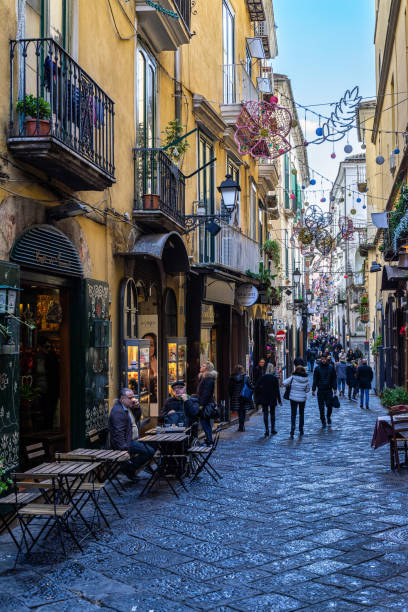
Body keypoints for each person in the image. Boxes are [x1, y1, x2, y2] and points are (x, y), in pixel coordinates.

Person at [108, 388, 154, 481]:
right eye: (130, 397)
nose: (133, 399)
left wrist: (137, 409)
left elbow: (135, 419)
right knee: (149, 451)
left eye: (133, 397)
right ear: (122, 399)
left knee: (154, 444)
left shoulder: (127, 408)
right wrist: (124, 450)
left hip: (131, 439)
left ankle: (130, 468)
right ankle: (129, 468)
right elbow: (118, 433)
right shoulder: (118, 412)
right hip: (126, 442)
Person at [254, 363, 282, 437]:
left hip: (264, 397)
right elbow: (277, 390)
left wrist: (258, 396)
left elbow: (256, 387)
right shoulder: (274, 378)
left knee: (265, 413)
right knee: (272, 413)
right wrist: (279, 400)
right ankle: (273, 429)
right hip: (272, 398)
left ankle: (266, 430)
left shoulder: (262, 378)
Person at [283, 364, 310, 438]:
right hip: (302, 399)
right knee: (301, 414)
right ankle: (301, 429)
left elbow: (284, 383)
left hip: (293, 398)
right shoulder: (306, 379)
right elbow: (307, 390)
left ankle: (293, 427)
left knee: (293, 414)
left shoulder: (293, 377)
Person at [312, 354, 337, 427]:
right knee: (321, 407)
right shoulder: (317, 369)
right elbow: (315, 380)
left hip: (329, 389)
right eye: (322, 359)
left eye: (324, 359)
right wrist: (313, 389)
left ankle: (328, 416)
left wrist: (335, 388)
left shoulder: (331, 368)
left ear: (326, 359)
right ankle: (323, 420)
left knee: (329, 405)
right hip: (320, 390)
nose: (323, 360)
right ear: (320, 359)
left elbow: (334, 378)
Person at [197, 361, 218, 445]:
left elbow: (206, 393)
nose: (201, 367)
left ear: (207, 368)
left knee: (204, 422)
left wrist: (202, 405)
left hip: (206, 404)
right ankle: (209, 439)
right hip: (205, 402)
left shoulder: (208, 379)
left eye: (203, 366)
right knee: (205, 422)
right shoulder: (204, 377)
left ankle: (209, 440)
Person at [228, 365, 252, 433]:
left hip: (236, 397)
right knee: (243, 411)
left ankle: (241, 426)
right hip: (244, 396)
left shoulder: (232, 378)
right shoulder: (246, 377)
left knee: (239, 411)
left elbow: (230, 388)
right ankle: (242, 425)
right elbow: (251, 386)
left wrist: (231, 396)